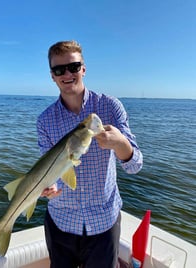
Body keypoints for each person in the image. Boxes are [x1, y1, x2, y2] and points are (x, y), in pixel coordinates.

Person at [37, 40, 143, 268]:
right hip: (61, 221)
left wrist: (120, 144)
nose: (67, 74)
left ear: (83, 69)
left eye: (73, 67)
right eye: (59, 70)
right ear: (52, 76)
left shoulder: (110, 106)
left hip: (104, 223)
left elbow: (135, 166)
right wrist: (49, 186)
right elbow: (50, 169)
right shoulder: (45, 120)